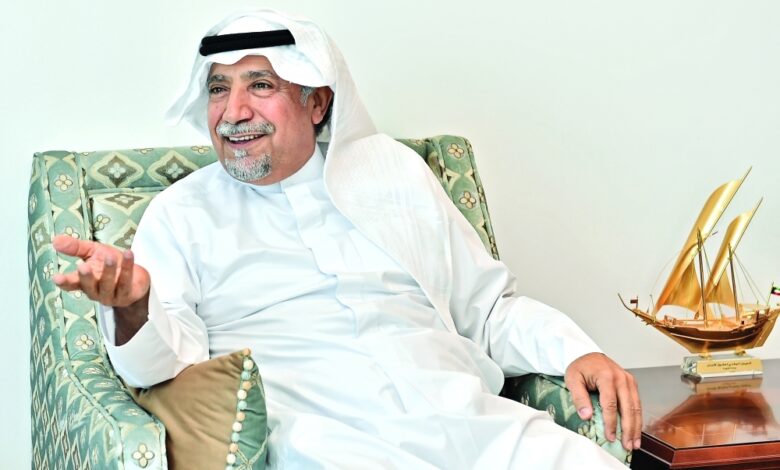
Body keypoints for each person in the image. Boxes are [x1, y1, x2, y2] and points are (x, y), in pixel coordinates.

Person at [52, 9, 641, 469]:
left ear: (317, 102)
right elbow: (163, 367)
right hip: (322, 439)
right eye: (218, 89)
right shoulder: (181, 213)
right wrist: (132, 306)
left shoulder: (395, 174)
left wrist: (574, 351)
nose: (233, 112)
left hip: (467, 420)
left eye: (260, 85)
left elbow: (486, 310)